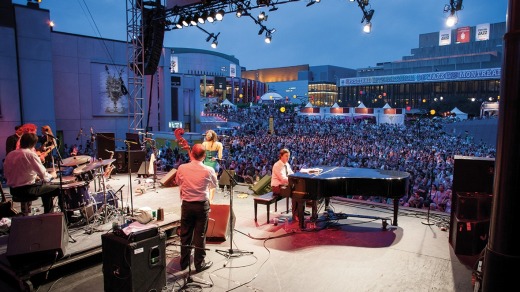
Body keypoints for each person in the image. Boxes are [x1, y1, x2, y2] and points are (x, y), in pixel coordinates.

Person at [174, 143, 216, 273]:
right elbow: (214, 185)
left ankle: (184, 263)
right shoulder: (209, 170)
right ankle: (199, 264)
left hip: (186, 205)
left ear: (191, 154)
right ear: (204, 156)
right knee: (200, 235)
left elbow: (177, 182)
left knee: (185, 234)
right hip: (201, 206)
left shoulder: (182, 168)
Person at [4, 133, 61, 214]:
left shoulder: (10, 155)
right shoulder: (30, 154)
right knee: (60, 189)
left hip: (13, 191)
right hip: (27, 190)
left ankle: (49, 214)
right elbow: (45, 176)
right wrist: (52, 175)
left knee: (46, 189)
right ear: (33, 144)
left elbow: (7, 174)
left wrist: (33, 177)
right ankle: (66, 217)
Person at [271, 148, 297, 219]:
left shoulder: (287, 164)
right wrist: (293, 181)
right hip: (277, 187)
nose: (288, 158)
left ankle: (298, 211)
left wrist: (296, 177)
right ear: (281, 156)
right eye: (286, 156)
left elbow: (291, 174)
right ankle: (295, 213)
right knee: (295, 192)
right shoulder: (277, 165)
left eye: (288, 156)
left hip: (284, 185)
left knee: (297, 190)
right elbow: (283, 179)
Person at [201, 130, 223, 203]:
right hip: (214, 165)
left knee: (205, 183)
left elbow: (202, 156)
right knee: (213, 184)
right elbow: (220, 157)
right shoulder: (219, 144)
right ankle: (211, 201)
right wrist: (215, 157)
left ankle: (205, 199)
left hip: (205, 165)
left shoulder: (204, 144)